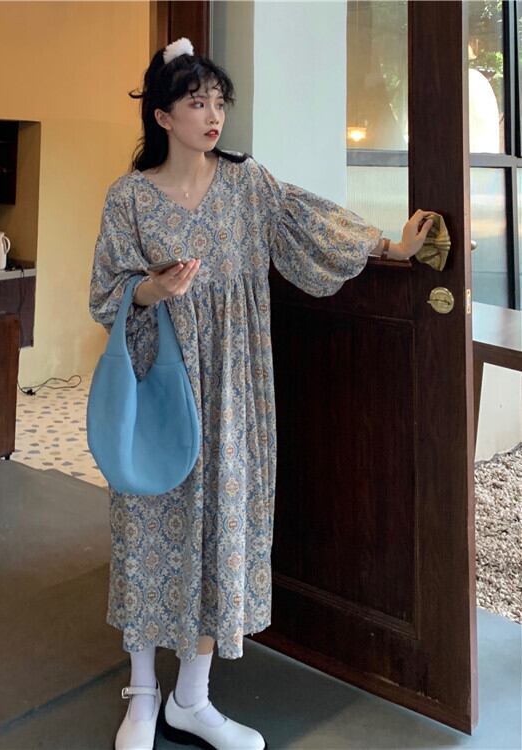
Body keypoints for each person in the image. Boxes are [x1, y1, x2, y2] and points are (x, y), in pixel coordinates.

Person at [89, 37, 434, 750]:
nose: (213, 115)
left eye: (219, 102)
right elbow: (106, 296)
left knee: (224, 527)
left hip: (236, 389)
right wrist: (153, 288)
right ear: (163, 116)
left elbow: (311, 222)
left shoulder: (248, 185)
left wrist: (389, 246)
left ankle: (192, 698)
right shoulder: (129, 197)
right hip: (160, 384)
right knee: (149, 523)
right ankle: (142, 694)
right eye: (196, 103)